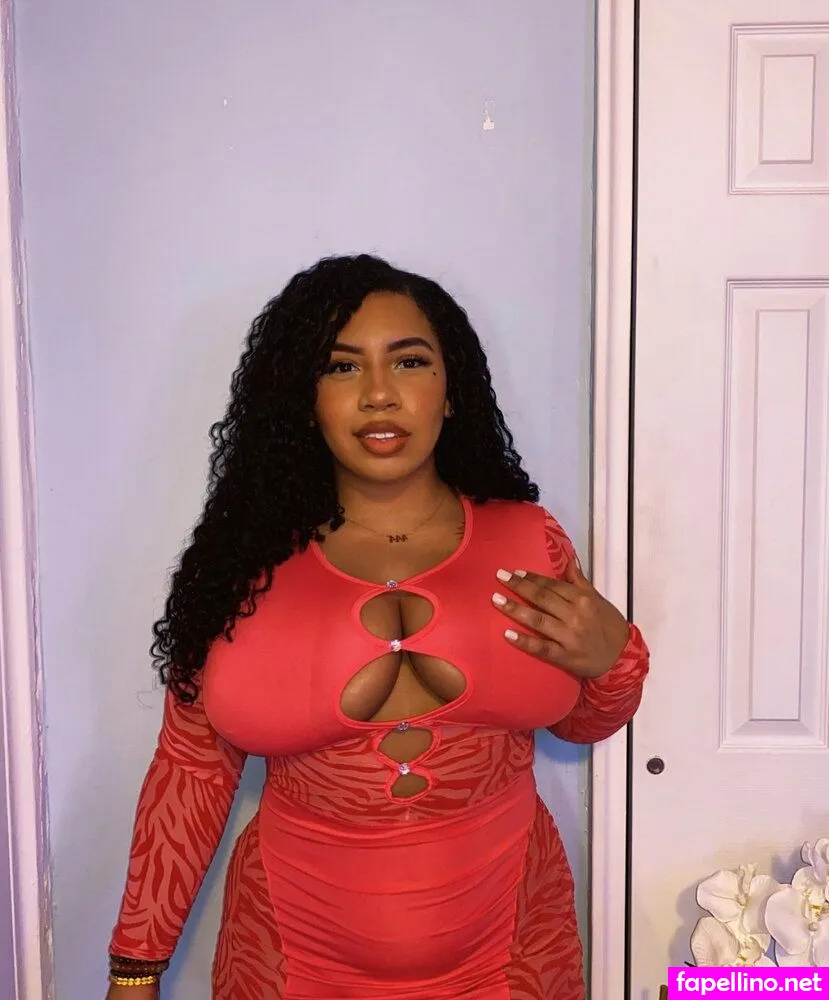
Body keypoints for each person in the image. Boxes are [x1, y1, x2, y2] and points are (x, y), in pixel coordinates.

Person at [105, 254, 649, 1000]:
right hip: (291, 967)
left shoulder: (531, 540)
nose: (379, 394)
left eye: (410, 361)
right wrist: (135, 968)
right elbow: (191, 771)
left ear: (451, 392)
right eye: (341, 367)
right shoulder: (241, 566)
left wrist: (614, 657)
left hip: (513, 958)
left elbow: (583, 723)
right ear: (304, 401)